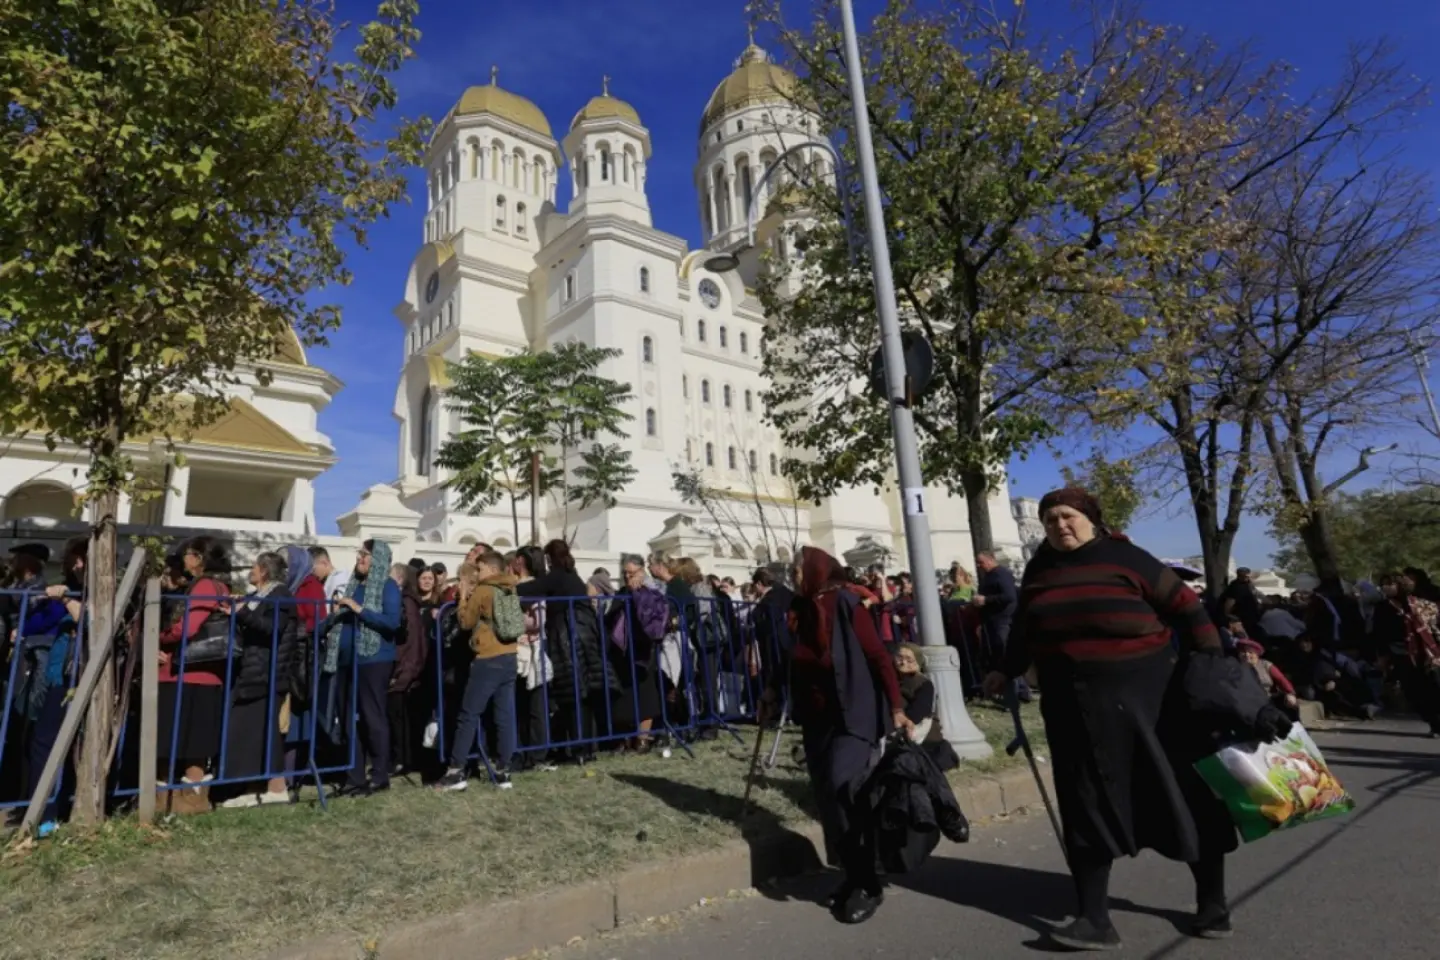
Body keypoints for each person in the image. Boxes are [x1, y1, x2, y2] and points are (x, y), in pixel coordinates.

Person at [982, 487, 1291, 949]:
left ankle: (1212, 905)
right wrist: (1005, 668)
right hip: (1075, 709)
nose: (1059, 525)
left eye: (1067, 516)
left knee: (1183, 797)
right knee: (1084, 804)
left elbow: (1191, 612)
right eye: (1049, 520)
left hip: (1155, 703)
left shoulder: (1128, 558)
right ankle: (1093, 920)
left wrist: (1210, 670)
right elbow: (1026, 629)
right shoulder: (1041, 570)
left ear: (1090, 518)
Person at [759, 546, 911, 926]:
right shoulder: (799, 609)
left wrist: (896, 706)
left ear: (813, 570)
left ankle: (870, 883)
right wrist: (773, 691)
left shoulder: (845, 602)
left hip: (853, 711)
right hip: (816, 718)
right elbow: (790, 657)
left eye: (796, 569)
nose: (792, 575)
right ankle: (852, 875)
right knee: (828, 798)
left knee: (846, 788)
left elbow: (877, 655)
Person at [157, 536, 233, 810]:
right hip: (203, 674)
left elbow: (187, 628)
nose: (183, 558)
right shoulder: (220, 585)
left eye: (187, 553)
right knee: (194, 740)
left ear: (199, 557)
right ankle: (186, 795)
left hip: (184, 673)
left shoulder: (204, 586)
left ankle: (178, 798)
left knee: (173, 739)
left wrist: (159, 636)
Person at [218, 551, 298, 808]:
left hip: (269, 673)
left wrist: (243, 613)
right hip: (253, 672)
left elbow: (272, 627)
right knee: (250, 730)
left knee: (266, 730)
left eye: (254, 567)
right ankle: (253, 785)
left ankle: (276, 787)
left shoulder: (280, 595)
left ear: (263, 570)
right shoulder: (257, 597)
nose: (250, 571)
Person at [437, 549, 521, 791]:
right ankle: (504, 771)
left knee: (468, 714)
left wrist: (463, 597)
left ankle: (455, 772)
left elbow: (466, 621)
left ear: (492, 569)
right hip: (509, 654)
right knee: (504, 715)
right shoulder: (510, 588)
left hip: (487, 658)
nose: (479, 572)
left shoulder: (484, 590)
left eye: (481, 568)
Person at [324, 539, 402, 797]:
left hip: (374, 659)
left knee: (372, 716)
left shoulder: (388, 587)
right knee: (348, 719)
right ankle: (353, 776)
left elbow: (392, 622)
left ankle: (379, 774)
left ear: (378, 559)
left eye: (365, 555)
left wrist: (359, 609)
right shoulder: (354, 586)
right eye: (359, 554)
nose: (360, 558)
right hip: (348, 660)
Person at [604, 554, 670, 751]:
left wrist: (637, 594)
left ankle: (643, 737)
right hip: (623, 651)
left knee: (645, 696)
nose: (627, 576)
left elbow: (650, 617)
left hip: (643, 649)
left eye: (631, 573)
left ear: (641, 572)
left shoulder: (652, 590)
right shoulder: (622, 592)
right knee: (624, 697)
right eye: (625, 573)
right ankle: (625, 739)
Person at [1373, 571, 1440, 736]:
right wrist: (1382, 657)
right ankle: (1433, 721)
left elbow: (1434, 628)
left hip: (1427, 654)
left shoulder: (1420, 605)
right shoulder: (1382, 608)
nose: (1386, 587)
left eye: (1390, 583)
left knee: (1435, 687)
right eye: (1383, 584)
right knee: (1413, 691)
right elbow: (1379, 635)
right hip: (1401, 654)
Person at [387, 563, 429, 776]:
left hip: (405, 668)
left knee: (399, 717)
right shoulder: (408, 602)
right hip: (406, 666)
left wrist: (398, 670)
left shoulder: (406, 603)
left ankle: (402, 759)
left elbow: (409, 641)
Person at [893, 643, 958, 772]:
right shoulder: (891, 681)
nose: (903, 662)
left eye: (909, 659)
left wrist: (903, 723)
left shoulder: (924, 684)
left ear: (918, 663)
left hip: (921, 736)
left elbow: (920, 711)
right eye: (899, 658)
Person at [1234, 638, 1298, 718]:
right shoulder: (1235, 668)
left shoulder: (1265, 665)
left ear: (1257, 654)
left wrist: (1290, 693)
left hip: (1269, 698)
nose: (1247, 655)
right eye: (1243, 652)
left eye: (1250, 652)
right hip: (1249, 703)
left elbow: (1281, 679)